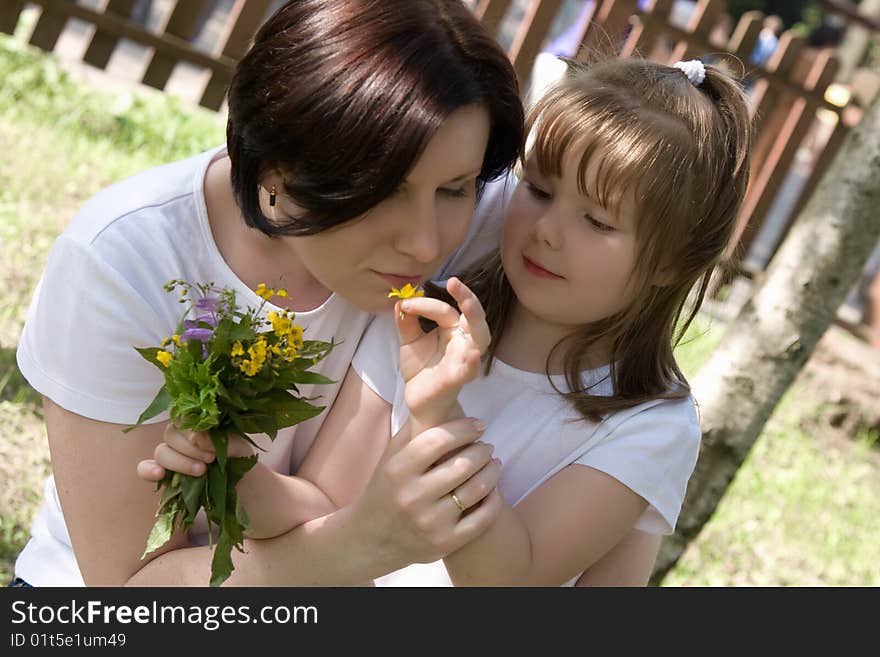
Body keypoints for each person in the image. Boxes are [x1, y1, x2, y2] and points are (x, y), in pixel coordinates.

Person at [145, 56, 753, 585]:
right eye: (538, 190)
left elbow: (507, 582)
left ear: (674, 261)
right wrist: (229, 465)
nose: (546, 231)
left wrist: (438, 412)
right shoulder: (427, 319)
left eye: (596, 222)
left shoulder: (649, 425)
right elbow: (323, 505)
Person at [11, 0, 526, 588]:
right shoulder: (124, 262)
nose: (425, 243)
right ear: (276, 170)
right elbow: (130, 596)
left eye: (455, 190)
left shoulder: (489, 223)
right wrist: (361, 543)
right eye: (385, 191)